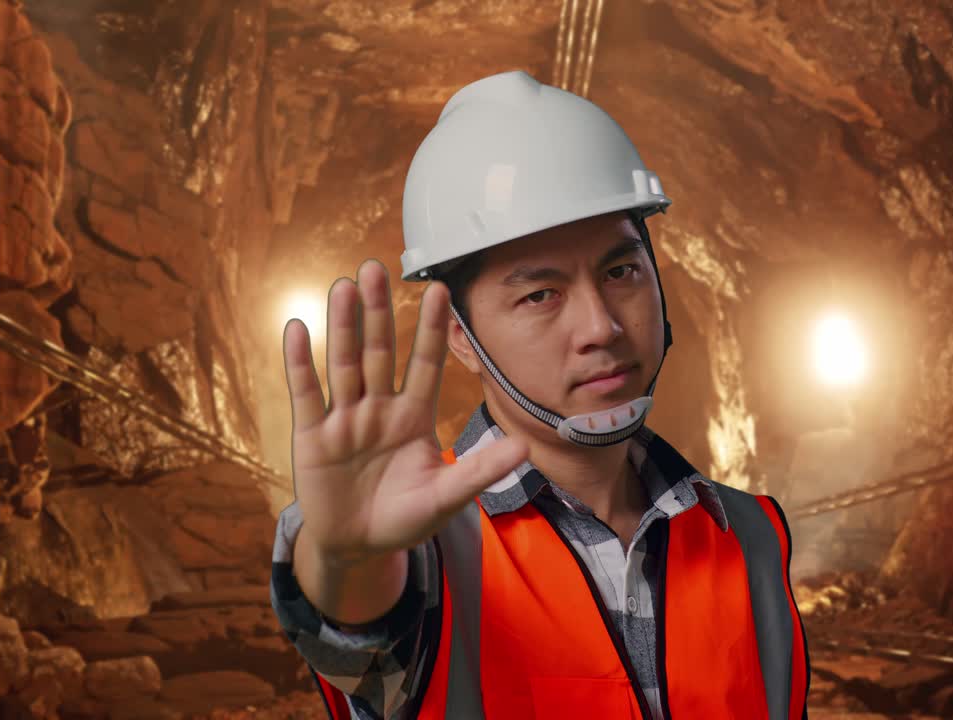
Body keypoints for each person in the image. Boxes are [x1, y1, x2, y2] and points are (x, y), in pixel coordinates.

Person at [270, 69, 809, 720]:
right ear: (460, 339)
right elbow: (356, 616)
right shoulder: (425, 552)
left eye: (621, 271)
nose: (601, 327)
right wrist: (342, 556)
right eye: (540, 294)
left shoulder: (750, 536)